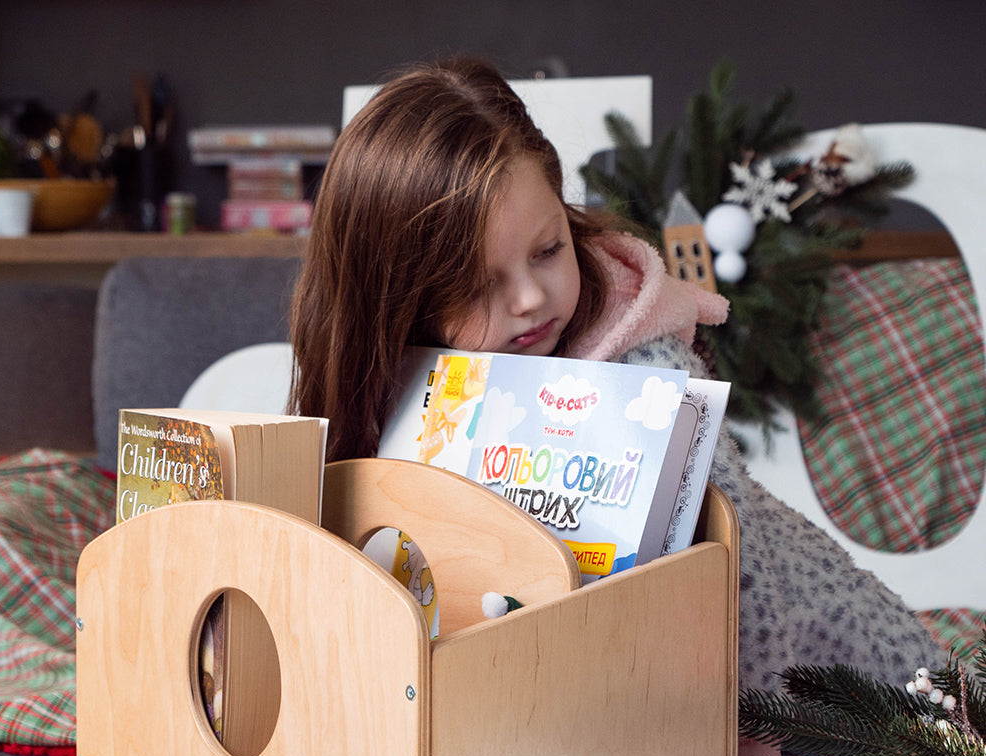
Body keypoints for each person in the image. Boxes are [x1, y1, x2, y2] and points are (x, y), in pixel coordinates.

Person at [289, 56, 946, 695]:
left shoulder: (646, 372)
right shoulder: (390, 395)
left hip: (840, 681)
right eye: (477, 284)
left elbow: (746, 576)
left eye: (548, 251)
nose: (528, 299)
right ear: (395, 299)